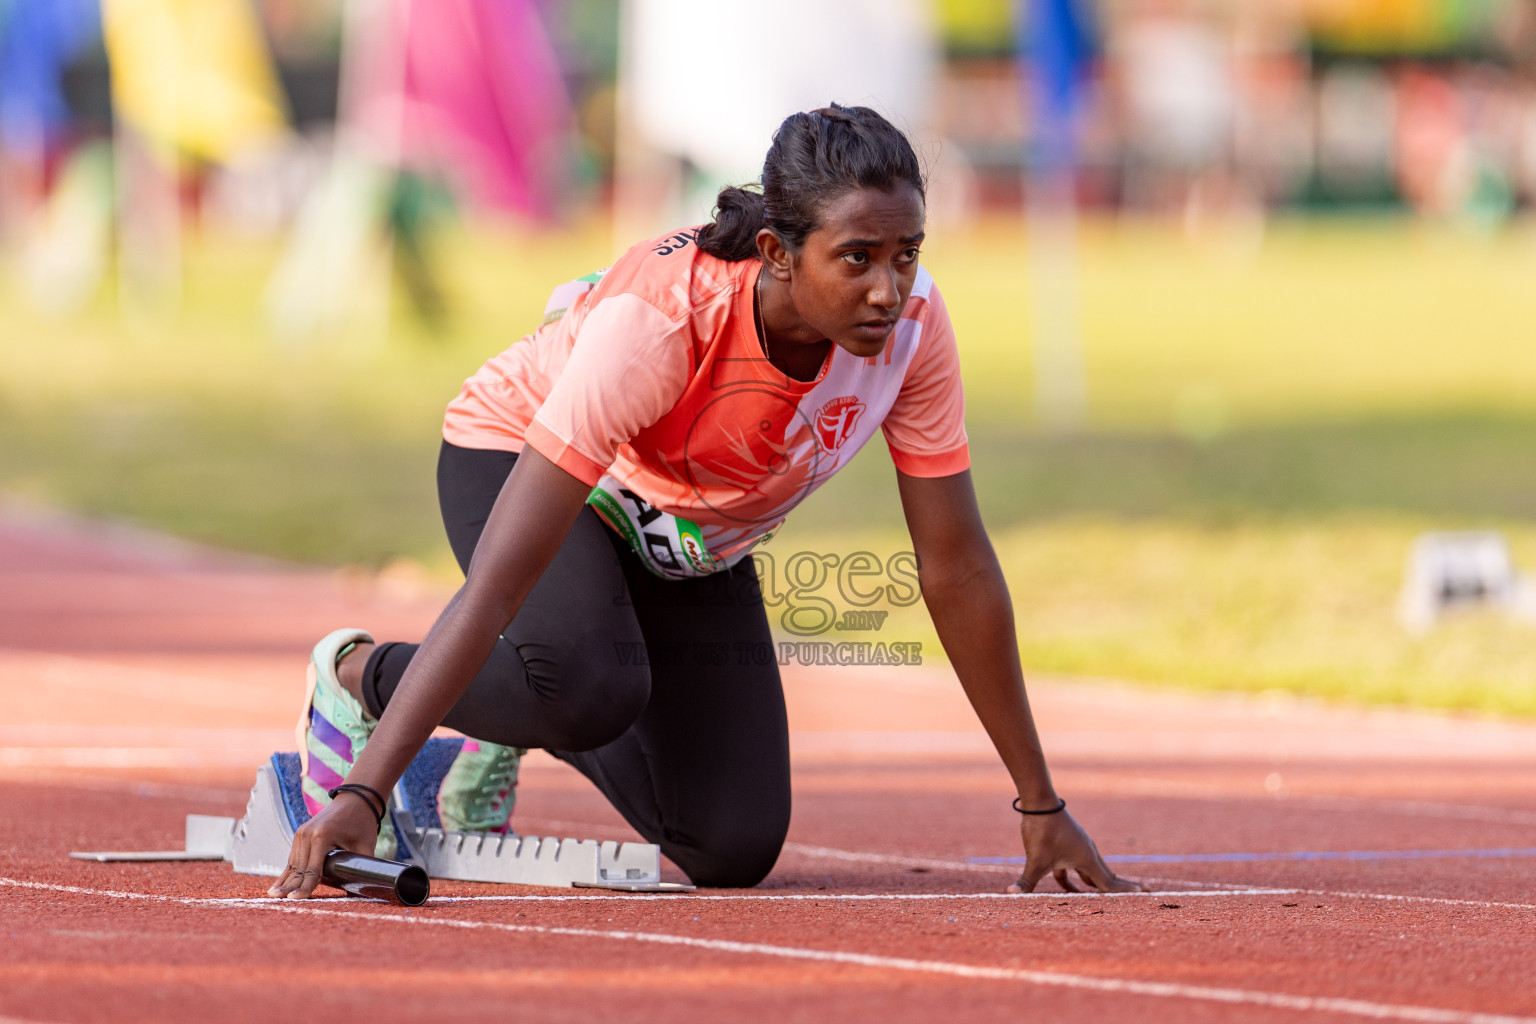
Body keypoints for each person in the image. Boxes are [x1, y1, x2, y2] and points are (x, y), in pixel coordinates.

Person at [270, 103, 1142, 898]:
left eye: (906, 254)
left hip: (687, 535)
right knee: (584, 685)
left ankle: (518, 703)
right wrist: (364, 792)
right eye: (857, 259)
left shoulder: (911, 334)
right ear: (776, 252)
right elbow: (497, 582)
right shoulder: (658, 323)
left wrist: (1040, 803)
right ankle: (358, 676)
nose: (889, 288)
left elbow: (956, 568)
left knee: (732, 848)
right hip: (521, 455)